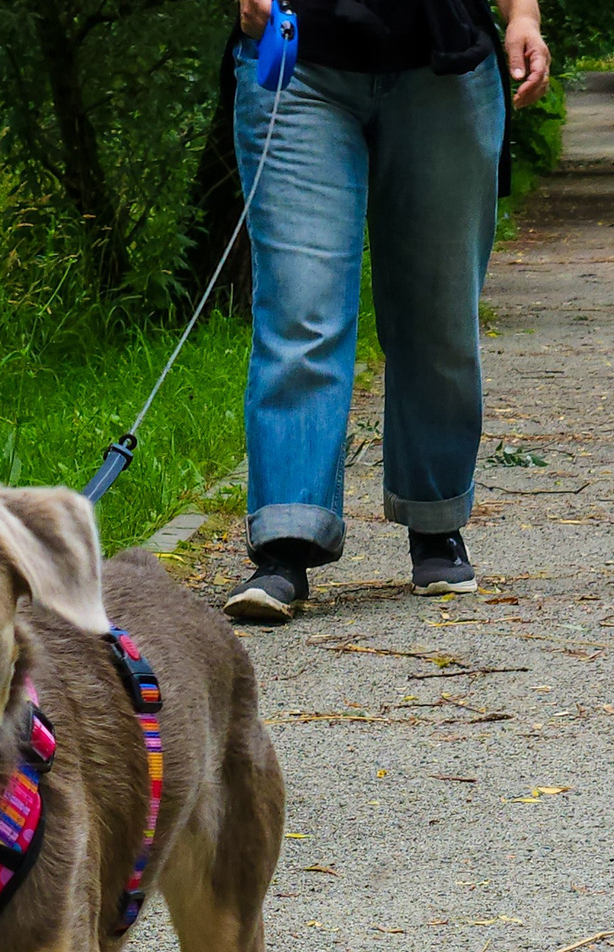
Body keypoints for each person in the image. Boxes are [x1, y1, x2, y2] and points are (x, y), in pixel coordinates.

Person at [223, 0, 551, 623]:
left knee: (438, 314)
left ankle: (435, 522)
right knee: (301, 308)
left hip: (445, 65)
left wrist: (523, 16)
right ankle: (286, 540)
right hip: (297, 62)